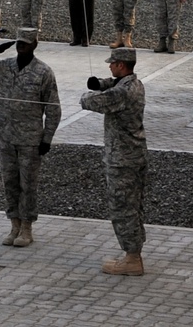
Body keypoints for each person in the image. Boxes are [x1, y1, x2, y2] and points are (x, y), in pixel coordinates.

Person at [0, 28, 60, 249]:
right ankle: (14, 224)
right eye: (18, 42)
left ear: (34, 44)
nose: (21, 46)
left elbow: (53, 109)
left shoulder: (43, 72)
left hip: (30, 138)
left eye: (25, 43)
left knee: (28, 184)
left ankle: (26, 227)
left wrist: (47, 138)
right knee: (10, 182)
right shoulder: (4, 66)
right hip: (5, 135)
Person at [82, 48, 147, 276]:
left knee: (122, 207)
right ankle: (134, 253)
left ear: (121, 65)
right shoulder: (134, 84)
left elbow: (90, 102)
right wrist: (100, 83)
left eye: (112, 64)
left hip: (122, 160)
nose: (109, 66)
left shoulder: (121, 94)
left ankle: (132, 259)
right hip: (134, 155)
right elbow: (112, 84)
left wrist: (89, 93)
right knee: (133, 205)